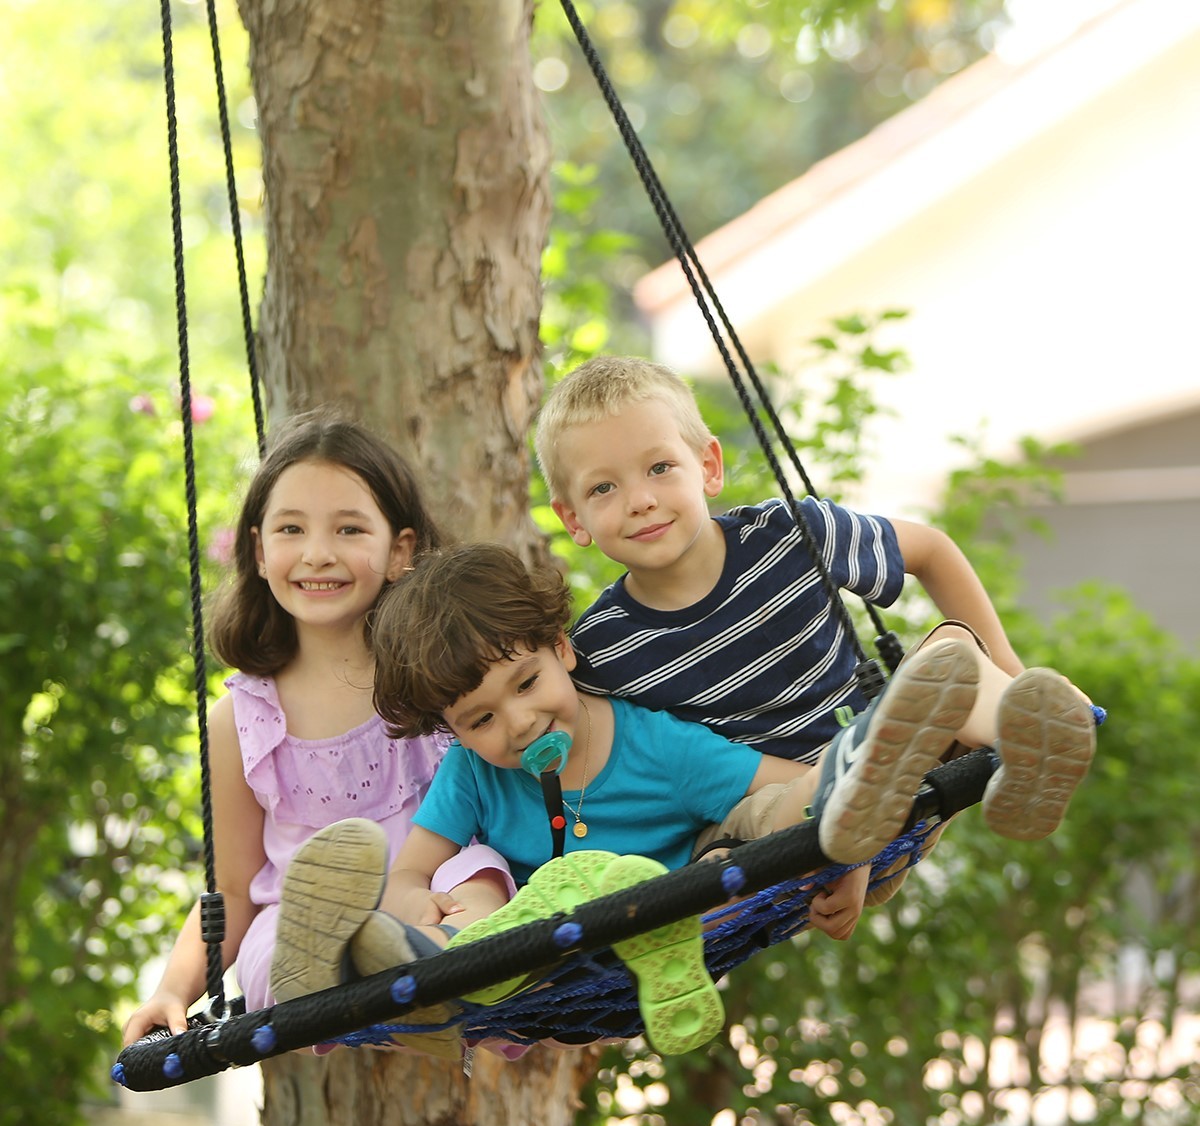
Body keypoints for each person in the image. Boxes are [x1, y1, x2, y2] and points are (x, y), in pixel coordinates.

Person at [351, 542, 984, 1054]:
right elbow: (410, 869)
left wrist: (850, 849)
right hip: (543, 956)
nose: (517, 724)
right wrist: (414, 901)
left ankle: (875, 748)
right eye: (479, 720)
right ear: (452, 730)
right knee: (468, 873)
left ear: (562, 649)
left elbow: (778, 781)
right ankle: (446, 958)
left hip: (680, 915)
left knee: (770, 815)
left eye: (527, 683)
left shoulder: (655, 745)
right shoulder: (471, 773)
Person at [532, 355, 1096, 898]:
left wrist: (1010, 667)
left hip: (898, 774)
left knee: (952, 653)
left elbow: (931, 549)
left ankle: (1028, 744)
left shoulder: (792, 536)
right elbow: (612, 770)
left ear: (708, 466)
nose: (640, 500)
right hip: (778, 844)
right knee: (715, 845)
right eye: (603, 488)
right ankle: (865, 807)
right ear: (572, 517)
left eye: (660, 468)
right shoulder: (601, 651)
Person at [120, 416, 514, 1058]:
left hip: (429, 907)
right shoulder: (244, 719)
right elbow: (236, 891)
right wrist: (174, 989)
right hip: (304, 927)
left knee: (484, 874)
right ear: (258, 550)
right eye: (291, 529)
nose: (317, 553)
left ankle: (431, 986)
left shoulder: (439, 675)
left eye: (349, 529)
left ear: (400, 551)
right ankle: (352, 983)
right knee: (278, 941)